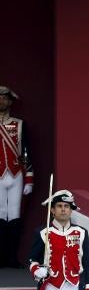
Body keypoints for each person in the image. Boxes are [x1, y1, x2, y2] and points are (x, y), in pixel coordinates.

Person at [0, 86, 32, 267]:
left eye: (5, 98)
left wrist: (29, 177)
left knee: (14, 216)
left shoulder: (19, 124)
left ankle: (12, 258)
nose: (2, 101)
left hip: (16, 174)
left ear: (10, 102)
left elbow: (26, 152)